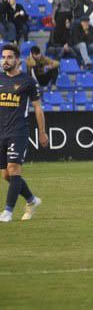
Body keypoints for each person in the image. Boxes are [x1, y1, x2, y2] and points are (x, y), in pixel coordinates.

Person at [0, 44, 47, 223]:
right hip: (1, 132)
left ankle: (8, 212)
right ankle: (32, 200)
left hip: (18, 132)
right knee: (6, 175)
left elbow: (37, 107)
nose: (5, 60)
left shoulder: (28, 81)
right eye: (3, 57)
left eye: (9, 57)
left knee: (14, 170)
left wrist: (42, 132)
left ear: (17, 60)